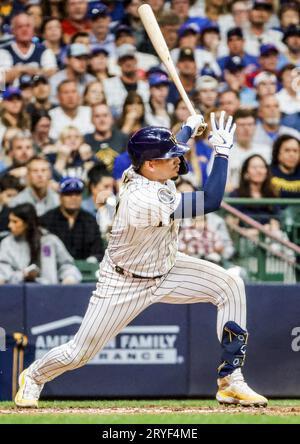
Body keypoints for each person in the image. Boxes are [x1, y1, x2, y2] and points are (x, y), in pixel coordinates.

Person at [15, 111, 268, 408]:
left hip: (167, 267)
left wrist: (186, 129)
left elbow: (167, 155)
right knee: (78, 354)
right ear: (150, 165)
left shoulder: (141, 168)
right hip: (124, 281)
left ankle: (231, 380)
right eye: (170, 156)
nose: (178, 159)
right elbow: (209, 201)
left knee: (230, 285)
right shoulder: (142, 198)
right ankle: (33, 376)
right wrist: (222, 153)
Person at [0, 203, 82, 285]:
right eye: (10, 221)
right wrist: (22, 275)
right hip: (17, 293)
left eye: (15, 222)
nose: (9, 225)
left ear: (27, 224)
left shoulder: (49, 240)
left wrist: (69, 277)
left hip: (49, 292)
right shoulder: (7, 244)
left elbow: (67, 265)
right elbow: (3, 272)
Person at [40, 177, 105, 261]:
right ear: (60, 197)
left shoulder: (90, 220)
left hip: (85, 269)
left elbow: (98, 251)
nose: (73, 198)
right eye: (68, 194)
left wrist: (92, 259)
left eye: (77, 194)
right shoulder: (47, 219)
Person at [0, 12, 57, 84]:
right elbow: (2, 81)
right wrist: (24, 69)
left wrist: (18, 70)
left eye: (28, 26)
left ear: (33, 29)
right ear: (13, 31)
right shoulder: (3, 52)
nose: (24, 29)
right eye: (20, 26)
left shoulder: (45, 51)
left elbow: (52, 73)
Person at [84, 103, 129, 172]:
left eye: (105, 115)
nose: (102, 120)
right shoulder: (85, 140)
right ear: (91, 120)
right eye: (97, 116)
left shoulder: (123, 138)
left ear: (112, 118)